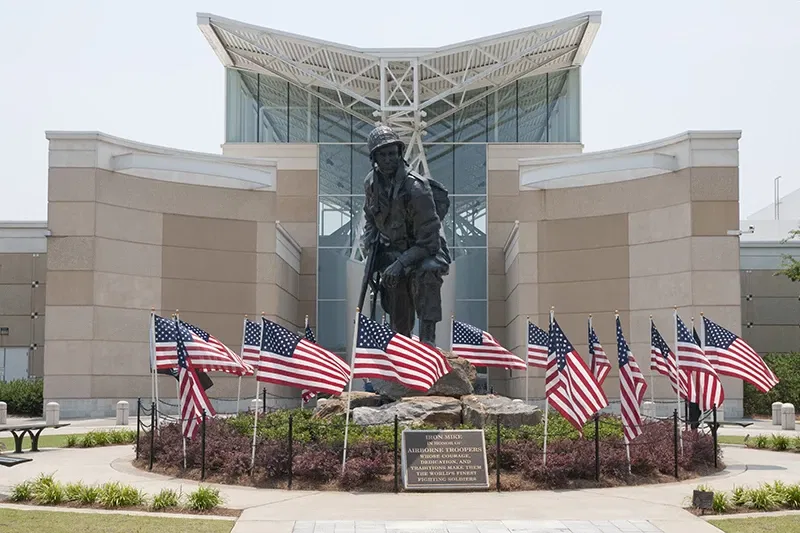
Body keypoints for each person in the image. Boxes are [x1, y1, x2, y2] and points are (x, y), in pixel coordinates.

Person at [361, 124, 450, 347]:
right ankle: (402, 343)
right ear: (374, 158)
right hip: (393, 250)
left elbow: (429, 241)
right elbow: (370, 220)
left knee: (427, 273)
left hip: (423, 250)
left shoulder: (416, 188)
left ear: (400, 153)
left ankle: (428, 341)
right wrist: (369, 246)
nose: (389, 158)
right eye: (383, 154)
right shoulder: (371, 184)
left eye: (393, 153)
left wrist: (401, 263)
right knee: (394, 286)